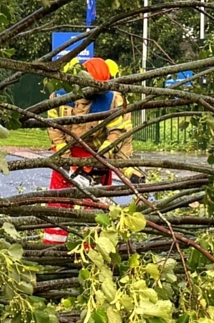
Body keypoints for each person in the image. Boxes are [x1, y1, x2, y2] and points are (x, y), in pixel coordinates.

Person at [41, 58, 143, 244]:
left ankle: (94, 246)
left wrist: (98, 161)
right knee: (58, 198)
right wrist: (67, 161)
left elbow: (117, 135)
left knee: (96, 204)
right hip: (68, 151)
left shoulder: (113, 100)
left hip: (99, 152)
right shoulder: (59, 98)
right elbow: (55, 132)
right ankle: (52, 244)